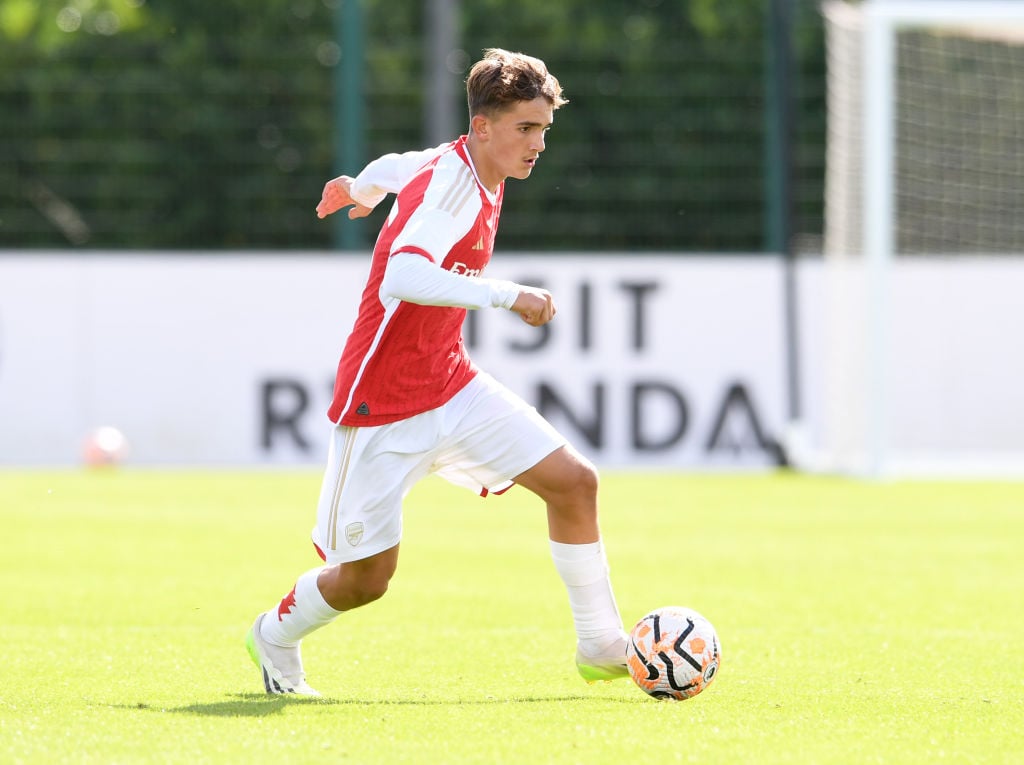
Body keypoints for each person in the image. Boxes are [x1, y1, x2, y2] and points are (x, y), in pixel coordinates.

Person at [245, 48, 628, 696]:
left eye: (544, 130)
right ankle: (273, 634)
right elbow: (402, 274)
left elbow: (399, 166)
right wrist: (510, 295)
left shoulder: (460, 164)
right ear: (483, 127)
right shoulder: (452, 189)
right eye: (525, 129)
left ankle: (599, 643)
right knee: (365, 581)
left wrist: (361, 188)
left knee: (574, 483)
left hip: (451, 385)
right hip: (382, 407)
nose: (538, 145)